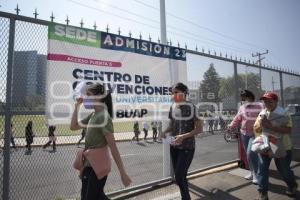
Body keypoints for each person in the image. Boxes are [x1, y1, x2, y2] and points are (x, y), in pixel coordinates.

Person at [70, 82, 131, 200]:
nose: (85, 97)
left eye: (88, 94)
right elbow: (73, 126)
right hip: (89, 165)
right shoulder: (93, 115)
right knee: (93, 197)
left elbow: (113, 147)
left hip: (98, 166)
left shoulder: (103, 117)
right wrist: (77, 106)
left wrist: (122, 173)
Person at [161, 82, 203, 200]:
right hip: (174, 146)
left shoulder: (192, 107)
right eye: (172, 93)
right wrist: (164, 131)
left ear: (184, 93)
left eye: (176, 92)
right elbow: (172, 125)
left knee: (179, 176)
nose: (173, 95)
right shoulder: (173, 106)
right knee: (180, 176)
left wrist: (183, 137)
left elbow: (199, 129)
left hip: (187, 147)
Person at [253, 92, 298, 200]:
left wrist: (270, 126)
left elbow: (289, 130)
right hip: (264, 145)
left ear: (276, 101)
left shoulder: (284, 113)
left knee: (284, 170)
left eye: (270, 101)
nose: (267, 103)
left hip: (281, 146)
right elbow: (257, 128)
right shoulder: (262, 113)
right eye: (265, 101)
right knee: (262, 169)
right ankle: (263, 192)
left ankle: (292, 185)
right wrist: (259, 128)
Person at [228, 90, 262, 184]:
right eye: (242, 98)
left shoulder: (259, 106)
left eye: (243, 97)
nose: (242, 99)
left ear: (249, 97)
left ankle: (256, 174)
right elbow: (237, 118)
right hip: (244, 134)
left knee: (251, 154)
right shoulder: (242, 107)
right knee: (248, 155)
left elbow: (263, 117)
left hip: (254, 134)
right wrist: (231, 126)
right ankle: (252, 172)